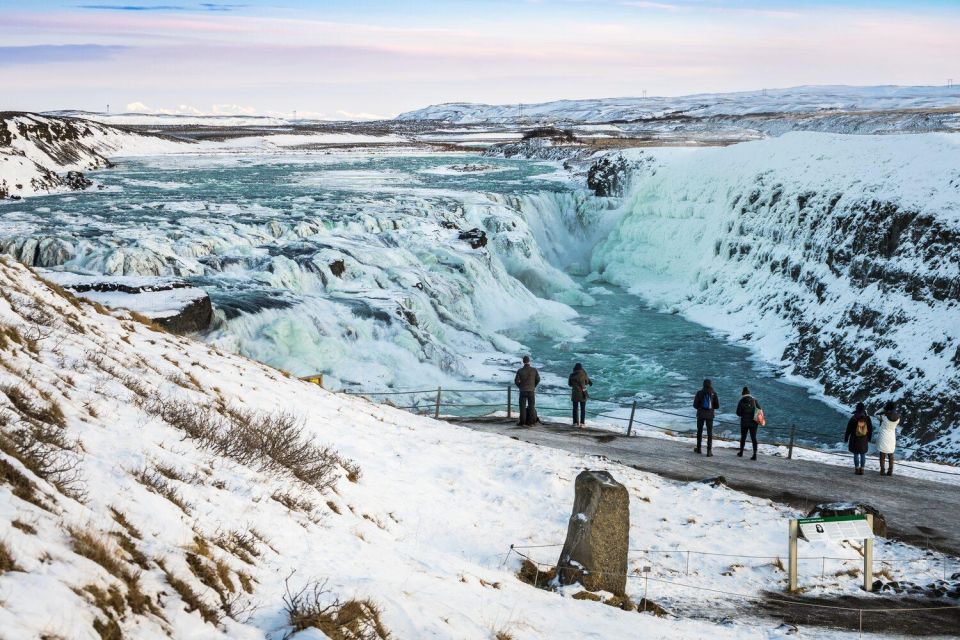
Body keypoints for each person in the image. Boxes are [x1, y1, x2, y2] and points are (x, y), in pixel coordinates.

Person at [843, 402, 873, 475]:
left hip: (854, 438)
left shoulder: (854, 418)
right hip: (864, 439)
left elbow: (848, 429)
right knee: (863, 454)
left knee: (856, 454)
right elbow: (870, 429)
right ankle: (862, 469)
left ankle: (856, 469)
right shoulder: (867, 418)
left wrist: (846, 438)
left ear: (857, 408)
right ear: (863, 409)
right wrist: (869, 438)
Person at [693, 379, 719, 456]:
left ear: (703, 384)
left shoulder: (699, 393)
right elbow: (717, 406)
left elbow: (695, 405)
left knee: (699, 432)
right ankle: (709, 451)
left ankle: (699, 448)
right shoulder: (714, 393)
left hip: (701, 414)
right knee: (709, 433)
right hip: (710, 415)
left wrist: (700, 407)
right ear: (711, 384)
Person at [875, 401, 901, 476]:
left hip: (883, 437)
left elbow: (875, 414)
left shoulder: (884, 417)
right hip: (892, 437)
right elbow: (894, 415)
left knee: (882, 454)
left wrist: (883, 408)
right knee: (891, 455)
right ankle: (890, 471)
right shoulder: (897, 419)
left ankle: (882, 470)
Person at [734, 387, 761, 460]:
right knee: (754, 438)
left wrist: (743, 414)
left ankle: (741, 452)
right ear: (749, 393)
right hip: (754, 422)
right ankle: (754, 454)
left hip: (744, 422)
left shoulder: (741, 401)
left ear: (743, 394)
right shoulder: (754, 400)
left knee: (743, 437)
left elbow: (738, 413)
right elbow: (760, 410)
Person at [514, 355, 540, 426]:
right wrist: (533, 386)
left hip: (523, 391)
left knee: (522, 406)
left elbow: (516, 381)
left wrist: (520, 387)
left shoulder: (520, 371)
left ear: (523, 362)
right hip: (531, 391)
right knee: (531, 406)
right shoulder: (534, 370)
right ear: (529, 362)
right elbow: (538, 379)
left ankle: (522, 422)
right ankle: (531, 422)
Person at [568, 362, 592, 427]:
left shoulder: (571, 375)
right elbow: (587, 382)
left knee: (575, 409)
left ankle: (575, 423)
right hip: (582, 394)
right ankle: (582, 423)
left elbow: (569, 384)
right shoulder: (583, 374)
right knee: (583, 409)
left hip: (575, 394)